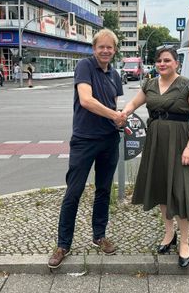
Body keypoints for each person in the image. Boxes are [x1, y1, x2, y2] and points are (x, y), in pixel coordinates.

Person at [48, 28, 127, 269]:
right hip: (85, 140)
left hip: (109, 140)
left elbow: (115, 103)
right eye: (101, 46)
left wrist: (119, 119)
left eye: (109, 47)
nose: (105, 50)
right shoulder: (84, 66)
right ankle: (63, 244)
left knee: (104, 190)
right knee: (74, 191)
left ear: (114, 50)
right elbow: (86, 100)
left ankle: (99, 236)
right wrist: (115, 115)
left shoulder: (115, 74)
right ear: (94, 49)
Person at [122, 46, 189, 268]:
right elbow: (134, 103)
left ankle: (184, 242)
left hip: (180, 143)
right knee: (160, 188)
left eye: (166, 60)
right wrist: (123, 113)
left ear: (176, 63)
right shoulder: (149, 84)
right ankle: (169, 234)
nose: (162, 64)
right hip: (156, 142)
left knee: (182, 191)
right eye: (158, 60)